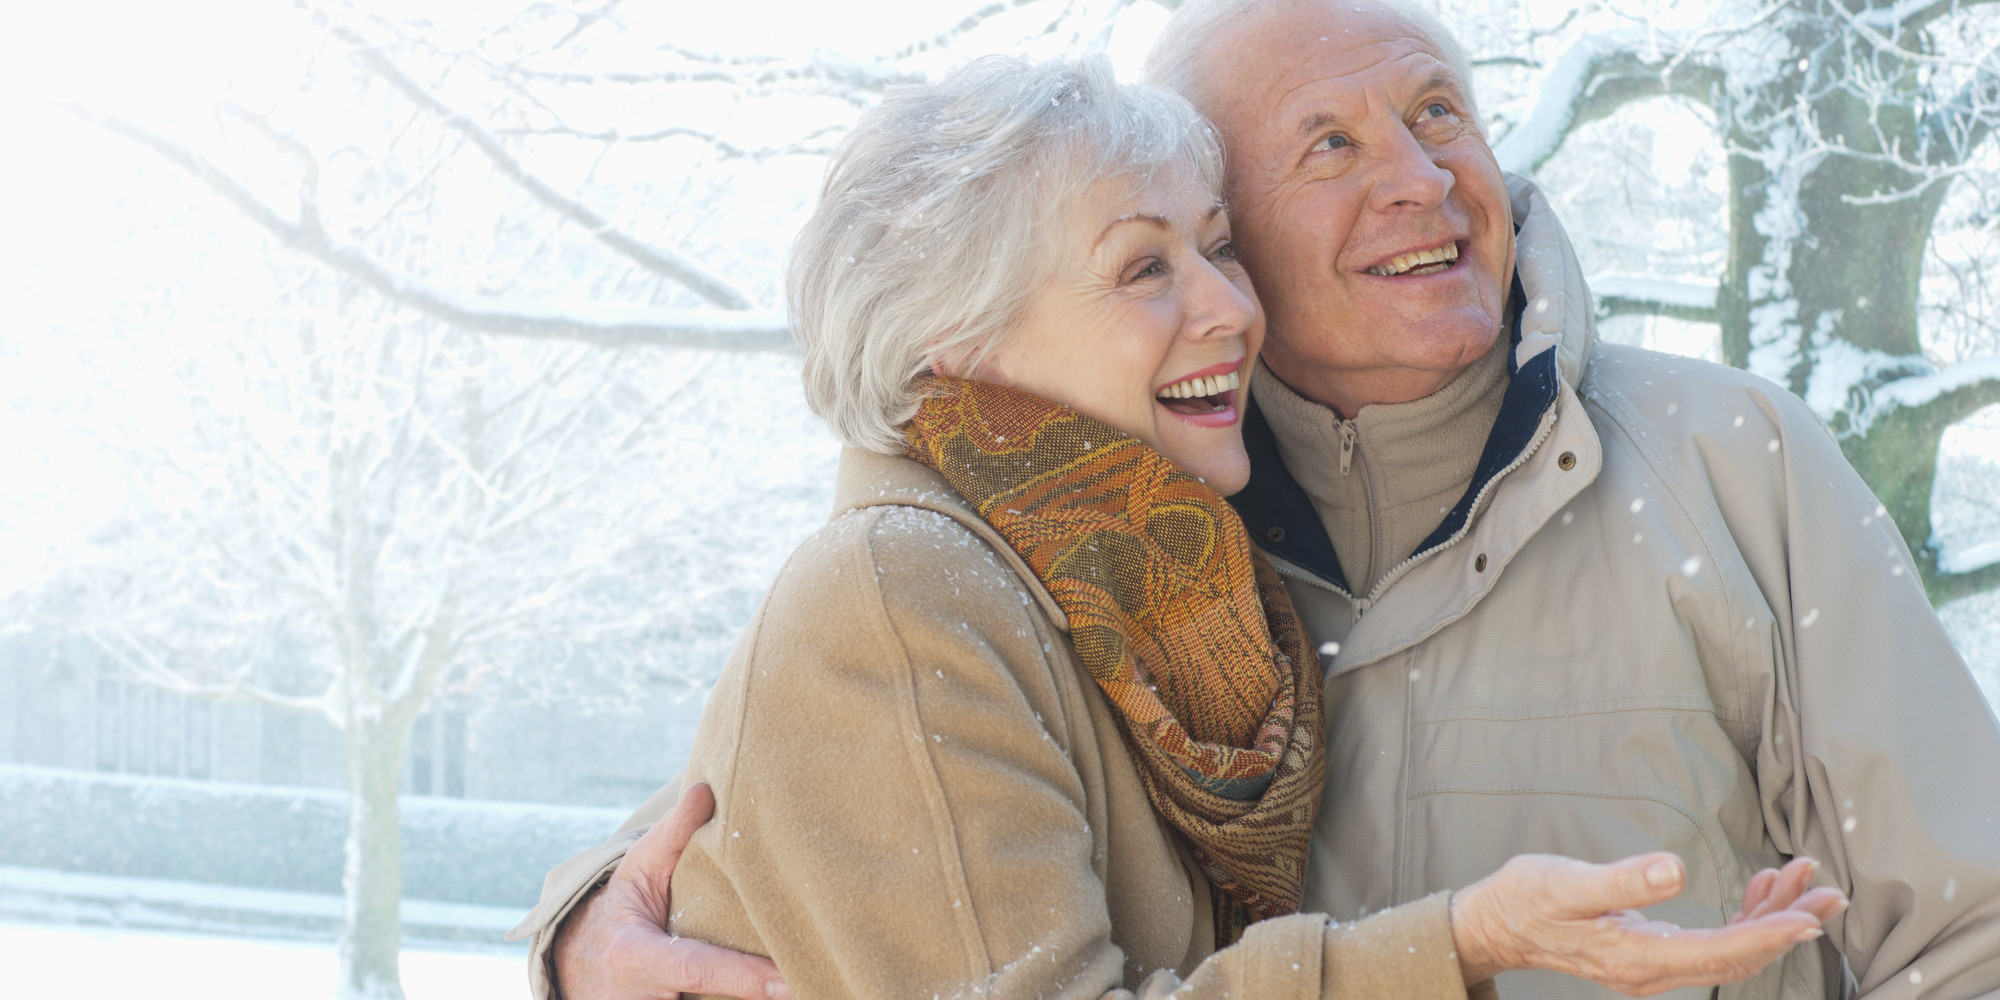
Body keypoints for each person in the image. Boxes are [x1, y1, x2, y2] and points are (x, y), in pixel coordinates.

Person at [509, 53, 1851, 1000]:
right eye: (1145, 266)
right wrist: (1467, 941)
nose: (1230, 307)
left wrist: (585, 919)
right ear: (957, 343)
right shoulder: (902, 591)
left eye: (1217, 248)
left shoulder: (1152, 587)